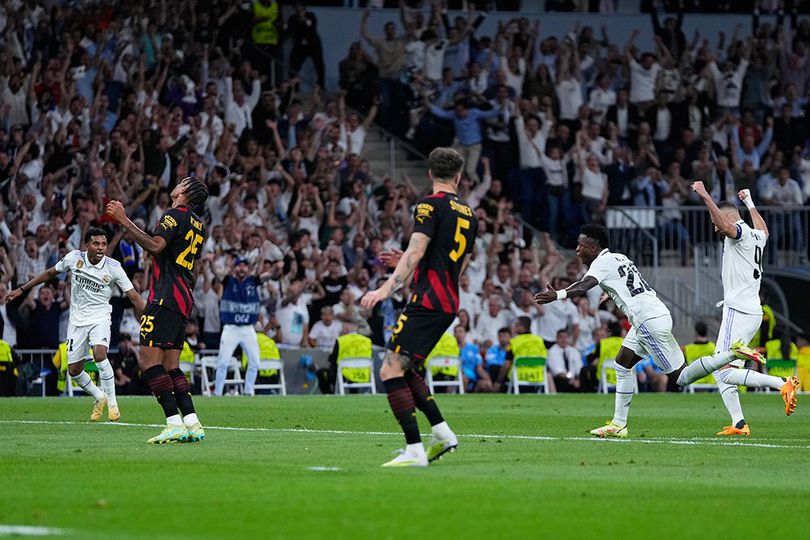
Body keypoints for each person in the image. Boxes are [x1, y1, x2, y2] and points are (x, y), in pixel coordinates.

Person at [535, 223, 748, 438]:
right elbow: (631, 283)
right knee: (622, 362)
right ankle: (618, 424)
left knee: (681, 377)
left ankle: (732, 353)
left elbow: (583, 286)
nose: (577, 250)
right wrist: (612, 292)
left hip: (647, 321)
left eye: (581, 245)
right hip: (653, 313)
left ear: (595, 246)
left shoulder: (600, 263)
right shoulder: (620, 258)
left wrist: (558, 295)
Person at [361, 147, 477, 467]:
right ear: (458, 177)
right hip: (448, 300)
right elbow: (456, 265)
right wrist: (410, 264)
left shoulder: (429, 205)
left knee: (389, 369)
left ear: (429, 174)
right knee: (406, 367)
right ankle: (442, 434)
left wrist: (385, 288)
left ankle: (414, 450)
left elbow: (416, 250)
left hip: (427, 300)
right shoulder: (470, 213)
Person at [674, 184, 799, 430]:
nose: (714, 225)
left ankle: (782, 383)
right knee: (727, 371)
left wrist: (705, 195)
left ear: (728, 216)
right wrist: (750, 202)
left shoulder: (740, 232)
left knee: (721, 370)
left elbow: (724, 226)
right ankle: (739, 422)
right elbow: (765, 230)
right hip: (751, 311)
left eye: (715, 219)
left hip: (738, 310)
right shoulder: (756, 235)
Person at [105, 177, 209, 444]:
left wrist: (124, 220)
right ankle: (192, 422)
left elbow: (155, 246)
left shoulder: (173, 214)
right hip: (183, 297)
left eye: (182, 182)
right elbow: (194, 270)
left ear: (185, 191)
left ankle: (173, 423)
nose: (177, 183)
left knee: (148, 362)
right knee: (172, 366)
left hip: (165, 296)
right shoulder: (200, 224)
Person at [6, 228, 145, 421]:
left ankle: (113, 406)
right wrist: (22, 289)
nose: (100, 248)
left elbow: (134, 296)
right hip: (77, 321)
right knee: (74, 370)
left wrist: (150, 318)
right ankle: (99, 396)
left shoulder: (113, 267)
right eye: (96, 244)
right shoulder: (74, 258)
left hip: (100, 317)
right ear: (86, 245)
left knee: (99, 355)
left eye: (103, 244)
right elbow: (49, 273)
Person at [213, 257, 262, 397]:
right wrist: (212, 263)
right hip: (231, 328)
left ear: (248, 268)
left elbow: (268, 275)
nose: (242, 268)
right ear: (235, 268)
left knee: (254, 362)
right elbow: (217, 274)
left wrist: (263, 257)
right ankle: (217, 393)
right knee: (222, 362)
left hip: (248, 328)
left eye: (244, 266)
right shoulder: (228, 281)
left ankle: (248, 391)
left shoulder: (252, 282)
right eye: (239, 266)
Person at [316, 325, 373, 395]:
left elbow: (333, 360)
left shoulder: (341, 340)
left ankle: (329, 394)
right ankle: (354, 394)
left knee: (322, 372)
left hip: (344, 375)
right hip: (363, 374)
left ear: (346, 329)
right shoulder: (367, 341)